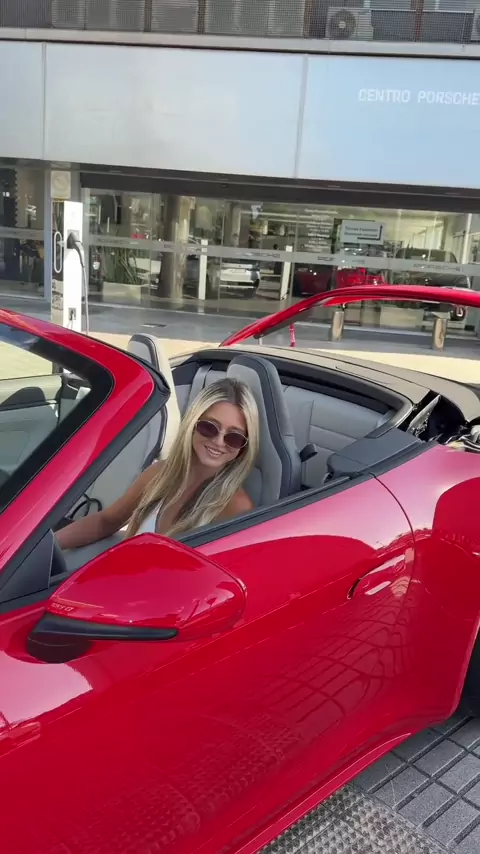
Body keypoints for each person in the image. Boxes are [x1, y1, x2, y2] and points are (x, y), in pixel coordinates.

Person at [56, 378, 259, 551]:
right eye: (209, 427)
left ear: (245, 445)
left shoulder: (236, 508)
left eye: (234, 437)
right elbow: (106, 521)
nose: (218, 442)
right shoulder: (159, 474)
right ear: (192, 424)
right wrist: (50, 545)